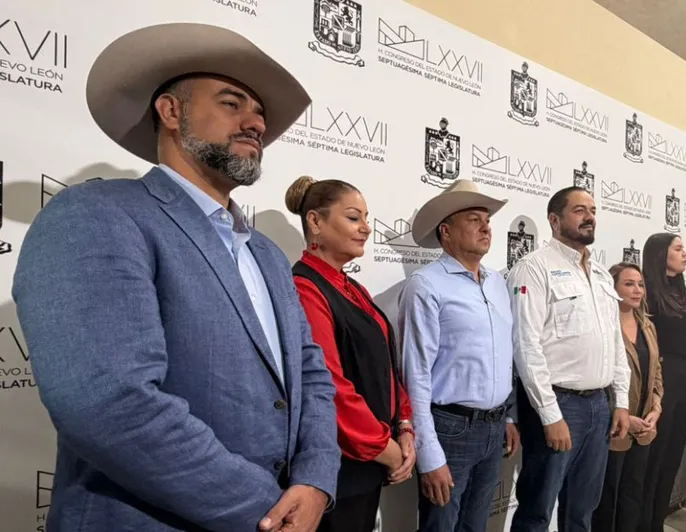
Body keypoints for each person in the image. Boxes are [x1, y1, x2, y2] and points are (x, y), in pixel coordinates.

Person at [12, 23, 340, 531]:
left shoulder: (269, 255)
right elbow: (106, 403)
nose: (255, 122)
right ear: (170, 111)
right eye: (231, 103)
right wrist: (268, 511)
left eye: (260, 113)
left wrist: (316, 479)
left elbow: (310, 372)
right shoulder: (97, 215)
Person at [286, 177, 415, 531]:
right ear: (315, 221)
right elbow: (329, 388)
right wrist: (387, 449)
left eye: (366, 218)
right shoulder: (305, 289)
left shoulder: (353, 288)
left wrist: (404, 425)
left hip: (371, 462)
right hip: (339, 471)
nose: (366, 228)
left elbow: (386, 366)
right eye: (354, 218)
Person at [507, 186, 632, 532]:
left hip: (599, 405)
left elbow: (614, 342)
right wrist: (550, 415)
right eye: (579, 210)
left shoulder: (602, 275)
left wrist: (621, 402)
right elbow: (526, 346)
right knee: (537, 510)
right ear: (554, 219)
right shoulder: (534, 268)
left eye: (592, 210)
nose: (589, 217)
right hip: (557, 404)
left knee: (582, 509)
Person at [399, 179, 520, 532]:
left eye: (487, 220)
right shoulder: (426, 285)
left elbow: (502, 355)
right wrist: (429, 454)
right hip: (450, 429)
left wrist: (508, 417)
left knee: (475, 526)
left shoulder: (496, 283)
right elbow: (415, 373)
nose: (486, 227)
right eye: (473, 219)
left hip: (494, 426)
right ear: (446, 231)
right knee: (442, 525)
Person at [593, 262, 664, 532]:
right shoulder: (603, 327)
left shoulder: (648, 326)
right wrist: (623, 414)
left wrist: (655, 409)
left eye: (640, 285)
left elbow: (657, 372)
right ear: (612, 288)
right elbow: (600, 379)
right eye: (629, 284)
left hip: (644, 426)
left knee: (633, 493)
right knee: (607, 497)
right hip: (614, 426)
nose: (637, 290)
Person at [639, 233, 686, 532]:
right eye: (678, 249)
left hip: (682, 379)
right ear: (661, 254)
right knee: (653, 458)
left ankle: (657, 521)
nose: (685, 254)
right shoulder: (646, 291)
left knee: (672, 456)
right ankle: (643, 524)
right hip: (658, 381)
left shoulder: (680, 289)